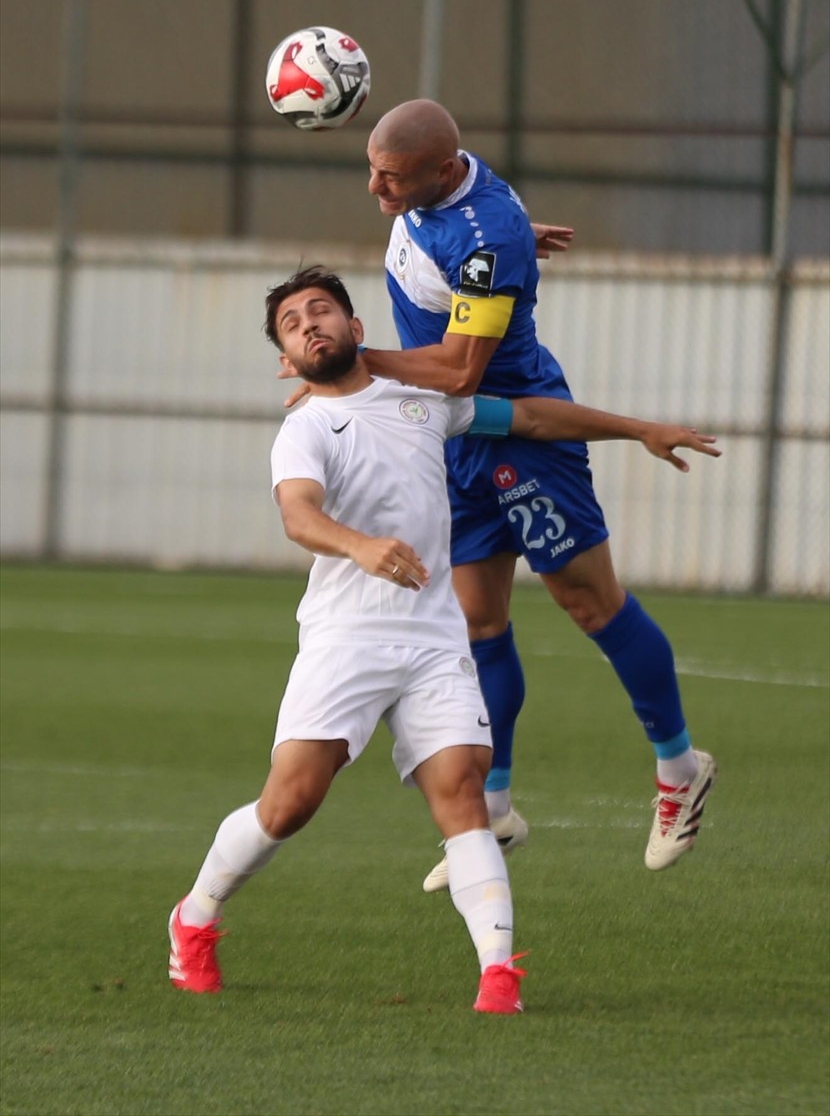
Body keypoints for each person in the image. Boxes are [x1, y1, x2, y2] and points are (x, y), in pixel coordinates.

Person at [168, 267, 719, 1011]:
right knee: (290, 803)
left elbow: (533, 420)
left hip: (433, 641)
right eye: (293, 325)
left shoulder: (426, 402)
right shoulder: (302, 428)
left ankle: (499, 974)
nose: (309, 326)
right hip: (345, 640)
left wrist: (639, 429)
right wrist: (360, 546)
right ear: (286, 361)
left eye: (320, 311)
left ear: (358, 329)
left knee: (462, 793)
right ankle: (195, 916)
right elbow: (298, 516)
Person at [355, 99, 718, 889]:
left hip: (522, 431)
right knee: (478, 620)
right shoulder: (456, 201)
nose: (377, 191)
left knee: (591, 606)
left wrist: (355, 360)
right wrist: (510, 244)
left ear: (442, 171)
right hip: (455, 442)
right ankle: (493, 811)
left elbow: (457, 371)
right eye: (373, 171)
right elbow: (479, 238)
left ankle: (680, 767)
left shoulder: (482, 237)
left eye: (393, 178)